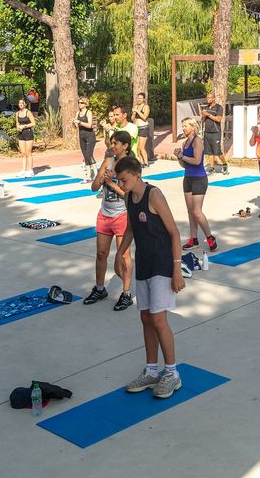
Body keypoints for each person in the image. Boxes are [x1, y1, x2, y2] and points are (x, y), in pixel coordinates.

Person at [114, 155, 185, 399]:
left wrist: (177, 270)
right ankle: (152, 370)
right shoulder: (128, 198)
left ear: (137, 175)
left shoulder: (154, 195)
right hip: (144, 263)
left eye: (124, 180)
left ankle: (172, 373)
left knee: (158, 319)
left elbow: (174, 233)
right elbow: (131, 229)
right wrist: (120, 253)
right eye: (119, 181)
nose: (121, 185)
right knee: (145, 317)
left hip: (162, 263)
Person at [85, 130, 135, 311]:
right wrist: (100, 179)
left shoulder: (130, 165)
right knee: (101, 254)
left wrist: (113, 183)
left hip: (122, 216)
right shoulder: (108, 161)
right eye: (111, 143)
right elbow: (93, 188)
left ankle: (126, 293)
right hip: (104, 215)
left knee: (124, 256)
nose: (112, 146)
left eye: (116, 143)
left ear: (125, 146)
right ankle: (100, 288)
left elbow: (131, 195)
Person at [174, 117, 216, 253]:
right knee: (190, 211)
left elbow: (197, 161)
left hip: (199, 179)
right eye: (183, 126)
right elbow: (184, 164)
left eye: (186, 126)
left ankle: (210, 237)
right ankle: (194, 239)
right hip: (188, 178)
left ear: (193, 127)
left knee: (196, 211)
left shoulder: (197, 141)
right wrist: (179, 156)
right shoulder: (185, 143)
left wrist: (182, 156)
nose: (184, 128)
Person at [200, 91, 228, 174]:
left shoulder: (219, 108)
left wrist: (208, 114)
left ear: (213, 99)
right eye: (207, 98)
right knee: (209, 152)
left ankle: (224, 164)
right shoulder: (206, 108)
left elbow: (218, 119)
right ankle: (212, 168)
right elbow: (202, 121)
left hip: (216, 132)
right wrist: (203, 116)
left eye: (209, 98)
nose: (207, 99)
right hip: (207, 132)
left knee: (217, 151)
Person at [73, 96, 98, 181]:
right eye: (79, 103)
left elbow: (90, 125)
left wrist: (80, 122)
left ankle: (96, 174)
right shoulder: (77, 113)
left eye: (81, 103)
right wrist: (74, 123)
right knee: (85, 156)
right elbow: (76, 127)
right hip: (82, 136)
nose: (79, 104)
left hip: (90, 136)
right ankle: (88, 175)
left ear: (85, 104)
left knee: (89, 155)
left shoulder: (88, 112)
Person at [15, 98, 36, 177]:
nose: (20, 104)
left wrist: (25, 126)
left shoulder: (28, 112)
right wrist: (18, 127)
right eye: (19, 103)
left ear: (25, 104)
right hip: (21, 134)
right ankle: (23, 170)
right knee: (23, 153)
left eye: (22, 103)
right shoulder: (17, 113)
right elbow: (17, 123)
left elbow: (33, 123)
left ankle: (30, 170)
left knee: (28, 153)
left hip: (28, 133)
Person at [132, 93, 151, 167]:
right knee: (137, 148)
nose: (138, 100)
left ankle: (146, 162)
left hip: (144, 128)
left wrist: (137, 111)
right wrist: (133, 113)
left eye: (140, 98)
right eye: (138, 98)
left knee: (141, 147)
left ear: (143, 99)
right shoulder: (136, 106)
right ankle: (141, 162)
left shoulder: (146, 107)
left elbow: (144, 117)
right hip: (137, 128)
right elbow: (133, 119)